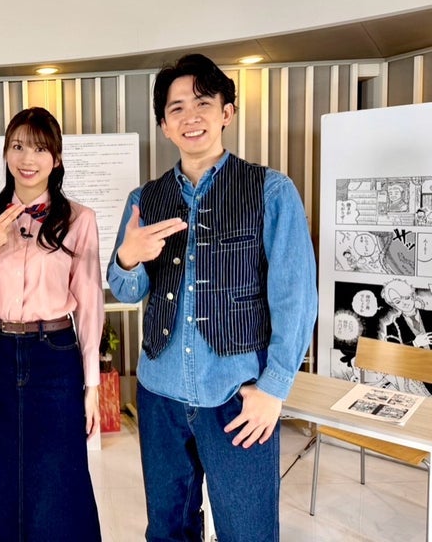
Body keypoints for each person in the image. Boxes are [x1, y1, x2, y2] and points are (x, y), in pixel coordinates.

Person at [107, 54, 317, 542]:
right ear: (164, 125)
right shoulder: (144, 199)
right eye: (176, 108)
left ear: (227, 112)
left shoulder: (270, 191)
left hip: (237, 395)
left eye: (203, 103)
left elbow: (296, 298)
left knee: (247, 532)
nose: (191, 117)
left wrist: (274, 389)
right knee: (167, 530)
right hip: (160, 394)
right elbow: (128, 291)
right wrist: (128, 258)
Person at [0, 107, 102, 541]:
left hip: (54, 353)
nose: (27, 158)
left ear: (56, 158)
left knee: (57, 475)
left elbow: (90, 305)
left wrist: (92, 386)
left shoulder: (79, 219)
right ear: (5, 153)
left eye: (39, 148)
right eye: (18, 146)